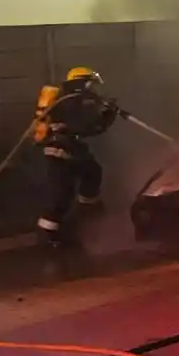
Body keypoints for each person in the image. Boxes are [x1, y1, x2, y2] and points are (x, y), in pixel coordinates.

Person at [33, 66, 119, 246]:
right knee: (61, 194)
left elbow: (89, 128)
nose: (93, 89)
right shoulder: (70, 101)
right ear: (83, 83)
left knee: (92, 172)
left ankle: (88, 211)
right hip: (61, 150)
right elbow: (88, 126)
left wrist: (107, 115)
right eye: (91, 84)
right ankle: (47, 235)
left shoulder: (73, 100)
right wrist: (107, 114)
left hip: (70, 148)